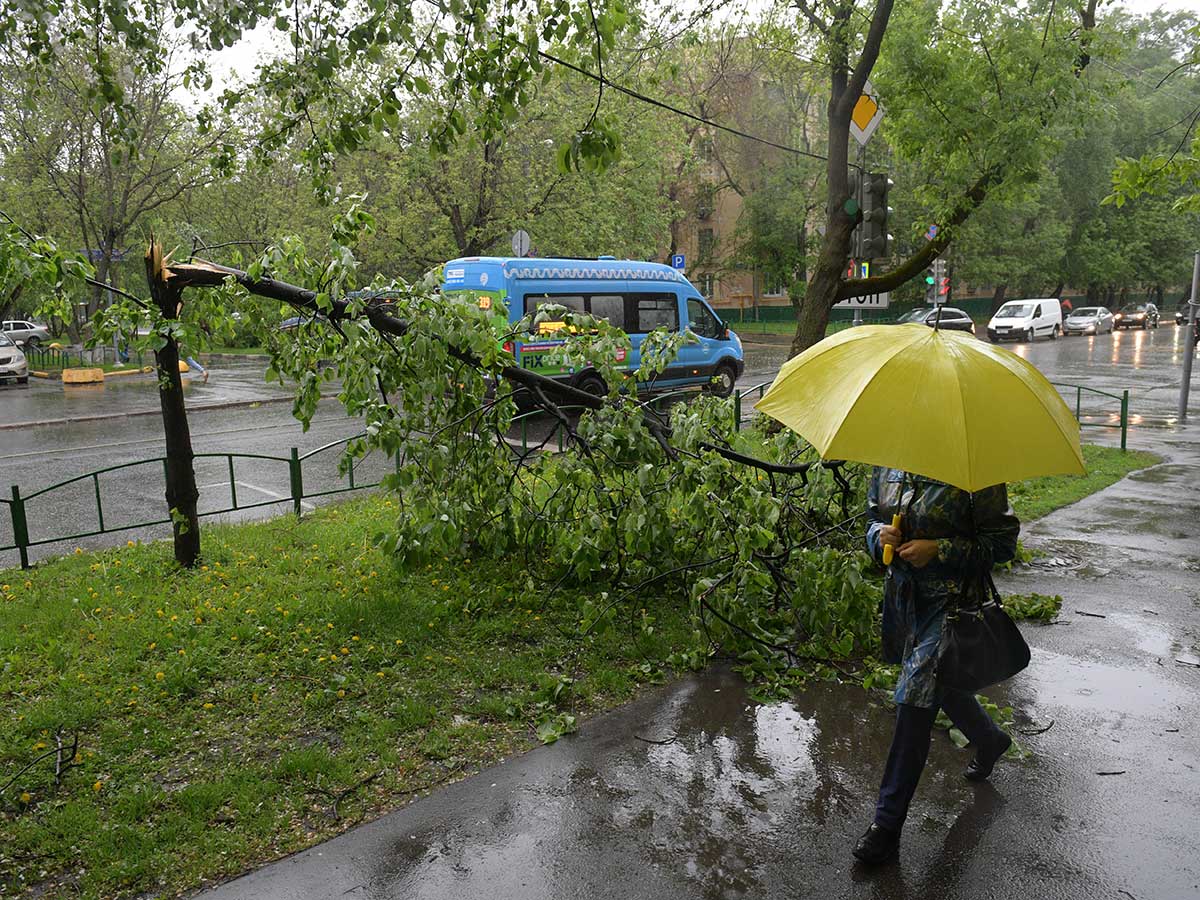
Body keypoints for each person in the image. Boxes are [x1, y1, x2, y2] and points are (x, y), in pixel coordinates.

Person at [854, 467, 1020, 865]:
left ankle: (886, 826)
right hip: (904, 602)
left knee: (915, 696)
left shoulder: (974, 472)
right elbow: (871, 519)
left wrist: (940, 550)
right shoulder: (889, 463)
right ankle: (990, 738)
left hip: (951, 606)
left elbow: (1002, 543)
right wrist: (879, 538)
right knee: (936, 683)